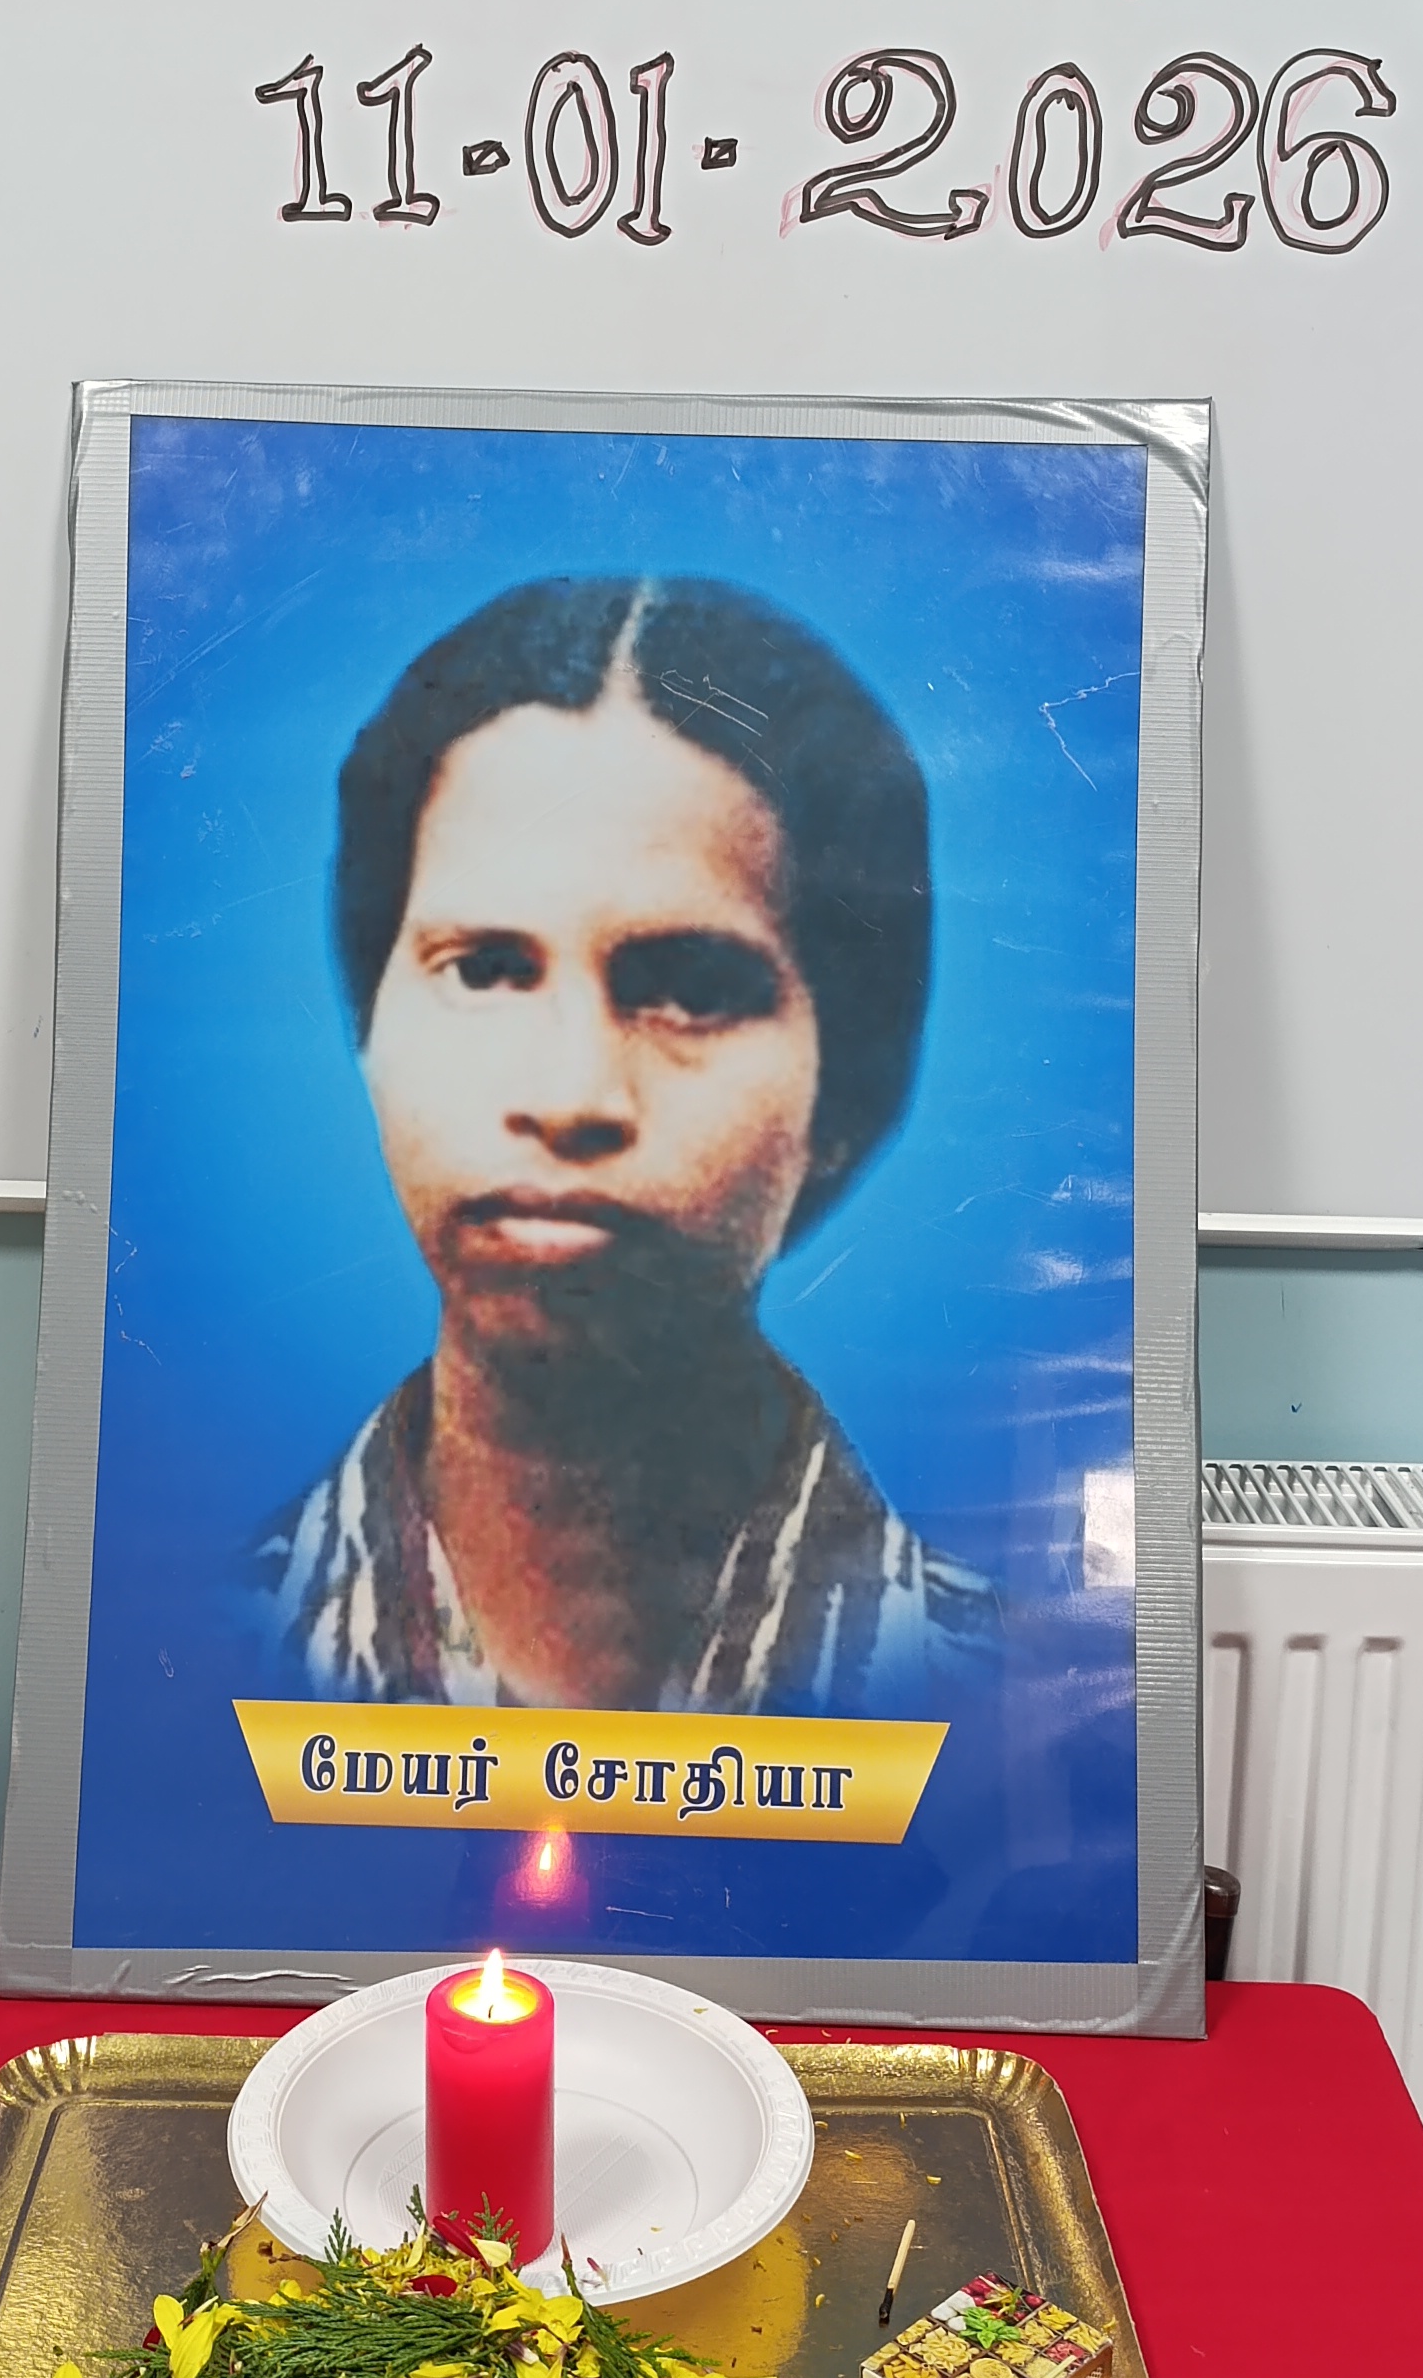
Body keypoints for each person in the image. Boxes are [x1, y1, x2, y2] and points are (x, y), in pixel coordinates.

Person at [244, 573, 994, 1713]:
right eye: (484, 970)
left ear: (843, 1090)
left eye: (689, 989)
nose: (570, 1094)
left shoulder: (1005, 1719)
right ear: (371, 1022)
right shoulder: (179, 1681)